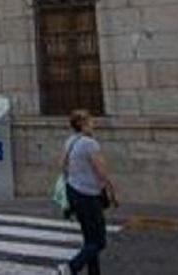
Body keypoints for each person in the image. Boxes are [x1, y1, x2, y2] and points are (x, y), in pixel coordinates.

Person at [56, 109, 119, 275]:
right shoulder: (90, 144)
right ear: (82, 124)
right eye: (90, 121)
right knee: (99, 241)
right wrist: (111, 191)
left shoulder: (70, 141)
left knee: (89, 239)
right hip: (89, 196)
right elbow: (101, 171)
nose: (93, 124)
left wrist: (76, 175)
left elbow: (62, 165)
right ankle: (70, 268)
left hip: (74, 192)